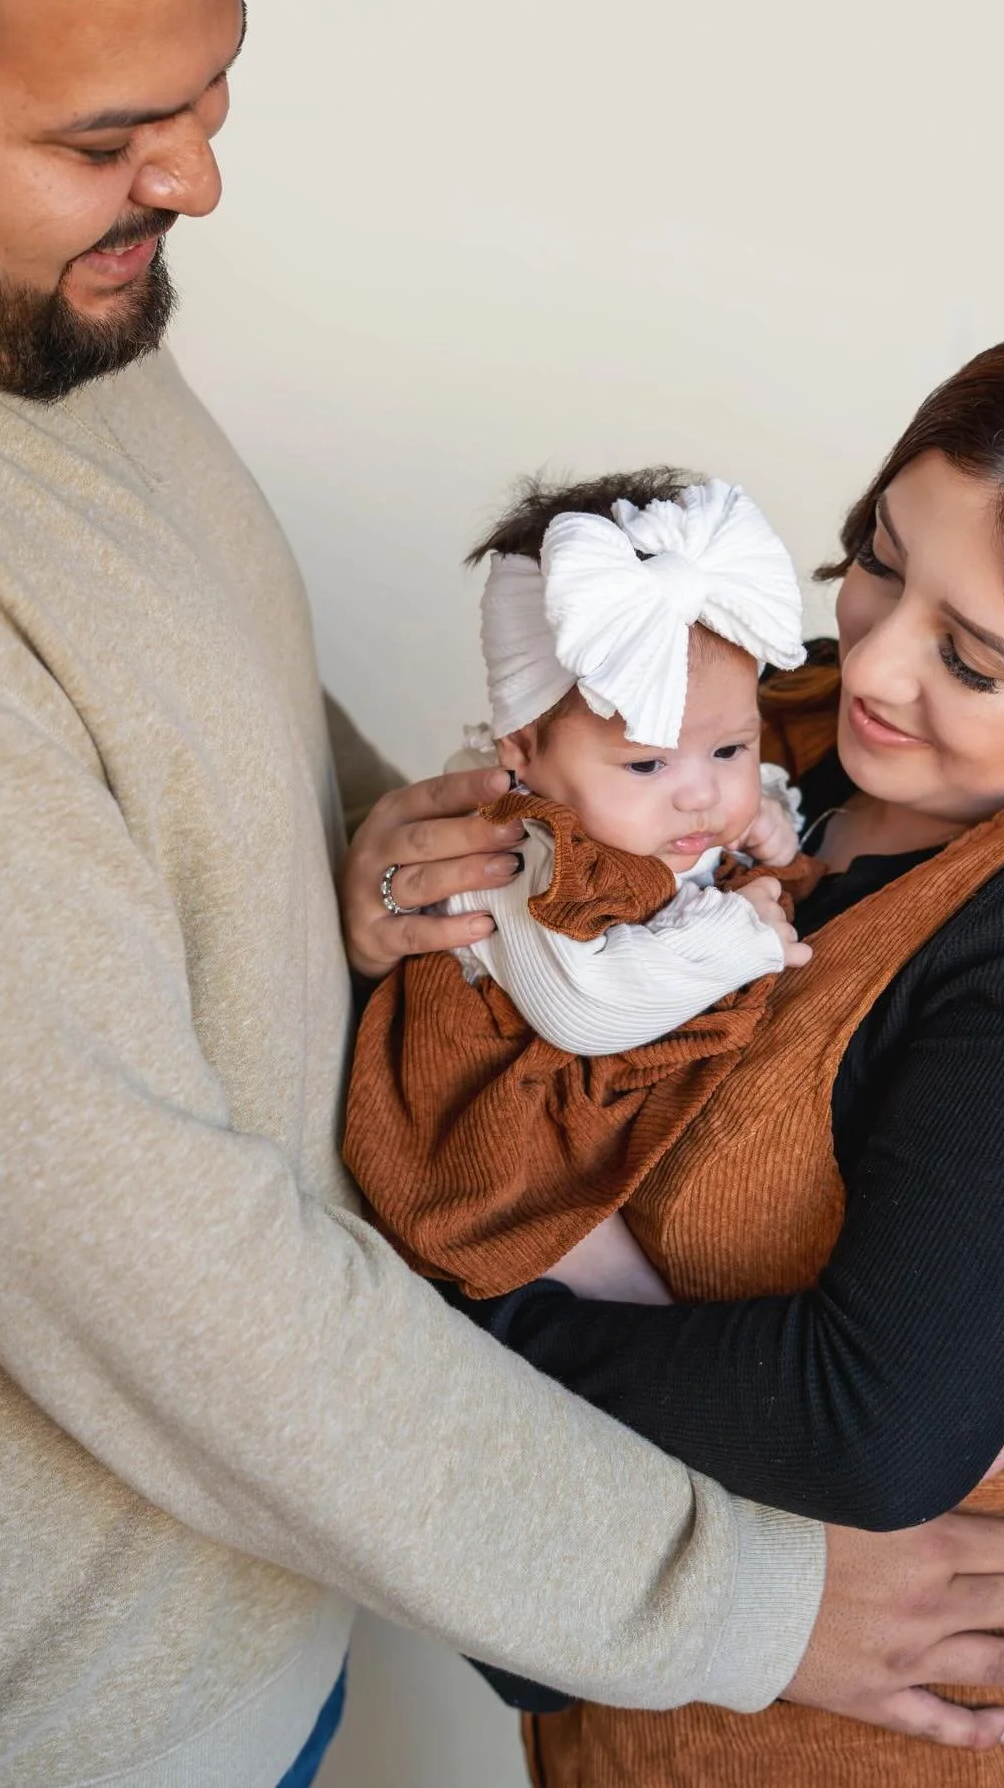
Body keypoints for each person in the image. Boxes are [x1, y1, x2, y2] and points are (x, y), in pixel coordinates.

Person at [0, 0, 1004, 1785]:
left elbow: (188, 745)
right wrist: (739, 1595)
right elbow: (170, 1293)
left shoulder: (60, 337)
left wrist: (378, 856)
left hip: (255, 1623)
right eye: (106, 136)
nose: (191, 184)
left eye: (213, 95)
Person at [346, 315, 1004, 1785]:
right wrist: (397, 886)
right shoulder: (773, 735)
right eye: (879, 557)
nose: (872, 660)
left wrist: (409, 1342)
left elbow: (865, 1426)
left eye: (971, 660)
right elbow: (520, 1034)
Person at [345, 467, 823, 1305]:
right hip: (507, 1143)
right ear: (521, 749)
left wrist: (766, 808)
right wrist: (740, 933)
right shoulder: (518, 844)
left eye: (730, 750)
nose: (701, 794)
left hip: (604, 1108)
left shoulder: (653, 813)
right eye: (647, 761)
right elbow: (584, 1006)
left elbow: (708, 791)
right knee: (642, 1299)